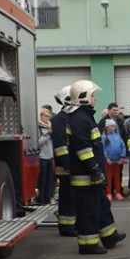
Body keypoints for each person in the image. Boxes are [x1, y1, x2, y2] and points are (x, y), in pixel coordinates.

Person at [65, 80, 125, 254]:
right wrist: (94, 169)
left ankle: (109, 236)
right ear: (83, 97)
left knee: (102, 205)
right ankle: (88, 244)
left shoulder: (85, 116)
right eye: (92, 95)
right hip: (86, 176)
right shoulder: (80, 118)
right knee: (88, 210)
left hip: (92, 174)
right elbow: (83, 149)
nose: (94, 99)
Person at [51, 85, 77, 237]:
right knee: (67, 196)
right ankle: (66, 227)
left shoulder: (68, 117)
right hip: (65, 166)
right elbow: (60, 144)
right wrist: (68, 164)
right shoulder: (59, 119)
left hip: (71, 164)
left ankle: (71, 224)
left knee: (72, 196)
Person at [34, 106, 55, 205]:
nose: (48, 118)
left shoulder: (49, 127)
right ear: (40, 116)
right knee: (41, 180)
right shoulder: (38, 127)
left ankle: (48, 198)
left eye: (49, 116)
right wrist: (47, 135)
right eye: (46, 116)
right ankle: (40, 200)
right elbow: (38, 142)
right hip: (42, 157)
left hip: (49, 157)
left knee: (49, 180)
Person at [102, 120, 127, 200]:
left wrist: (122, 156)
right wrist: (106, 158)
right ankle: (108, 193)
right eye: (111, 126)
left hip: (118, 160)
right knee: (108, 177)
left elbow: (123, 146)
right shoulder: (104, 137)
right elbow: (103, 148)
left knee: (117, 177)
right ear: (107, 127)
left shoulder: (117, 136)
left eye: (114, 126)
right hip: (109, 161)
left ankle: (118, 192)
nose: (113, 128)